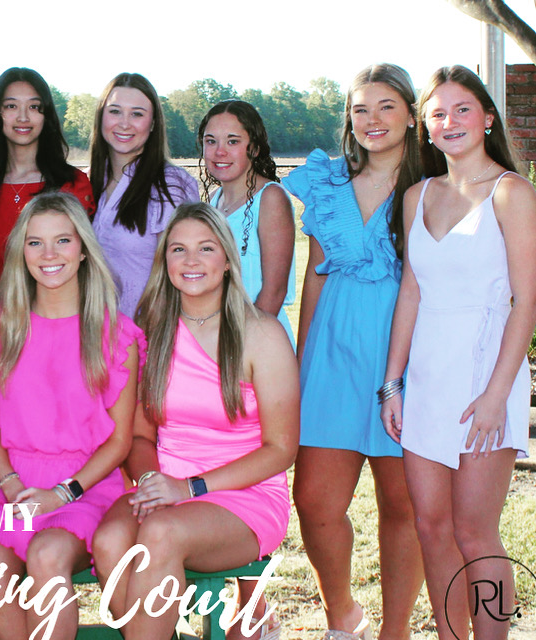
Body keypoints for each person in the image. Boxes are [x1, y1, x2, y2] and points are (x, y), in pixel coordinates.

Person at [92, 203, 299, 640]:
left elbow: (282, 450)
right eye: (178, 249)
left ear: (226, 260)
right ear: (163, 261)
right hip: (165, 486)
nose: (190, 261)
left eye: (205, 248)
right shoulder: (151, 329)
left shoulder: (261, 334)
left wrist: (188, 489)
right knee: (110, 541)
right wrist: (153, 480)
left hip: (243, 495)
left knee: (161, 532)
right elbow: (142, 435)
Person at [383, 65, 535, 640]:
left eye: (463, 108)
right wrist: (392, 383)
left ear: (488, 118)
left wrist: (498, 393)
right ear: (425, 126)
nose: (450, 121)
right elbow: (412, 291)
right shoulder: (418, 195)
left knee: (475, 532)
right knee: (431, 525)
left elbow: (527, 301)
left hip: (484, 377)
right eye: (438, 112)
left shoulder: (512, 193)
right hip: (425, 377)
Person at [284, 64, 425, 640]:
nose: (372, 120)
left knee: (403, 506)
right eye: (361, 108)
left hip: (409, 348)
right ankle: (342, 615)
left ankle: (395, 630)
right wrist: (303, 359)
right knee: (314, 502)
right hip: (334, 350)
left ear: (411, 115)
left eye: (387, 107)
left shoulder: (434, 180)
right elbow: (314, 275)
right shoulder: (327, 180)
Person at [0, 192, 138, 640]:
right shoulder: (0, 327)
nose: (50, 255)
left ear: (83, 249)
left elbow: (120, 442)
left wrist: (62, 493)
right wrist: (10, 484)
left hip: (85, 487)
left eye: (63, 240)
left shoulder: (116, 333)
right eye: (35, 243)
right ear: (21, 252)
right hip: (13, 485)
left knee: (46, 556)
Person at [89, 73, 199, 321]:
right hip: (92, 336)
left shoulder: (171, 186)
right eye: (115, 111)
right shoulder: (86, 182)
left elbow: (183, 271)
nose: (124, 123)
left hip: (145, 336)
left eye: (137, 114)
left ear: (152, 124)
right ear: (101, 118)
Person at [0, 68, 94, 278]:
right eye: (11, 106)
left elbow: (84, 265)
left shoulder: (73, 184)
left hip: (56, 308)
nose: (23, 117)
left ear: (46, 115)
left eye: (34, 107)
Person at [198, 99, 295, 343]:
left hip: (257, 341)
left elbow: (274, 291)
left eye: (233, 141)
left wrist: (240, 347)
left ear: (254, 147)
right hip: (216, 339)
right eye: (211, 141)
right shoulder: (212, 201)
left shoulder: (271, 198)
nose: (220, 151)